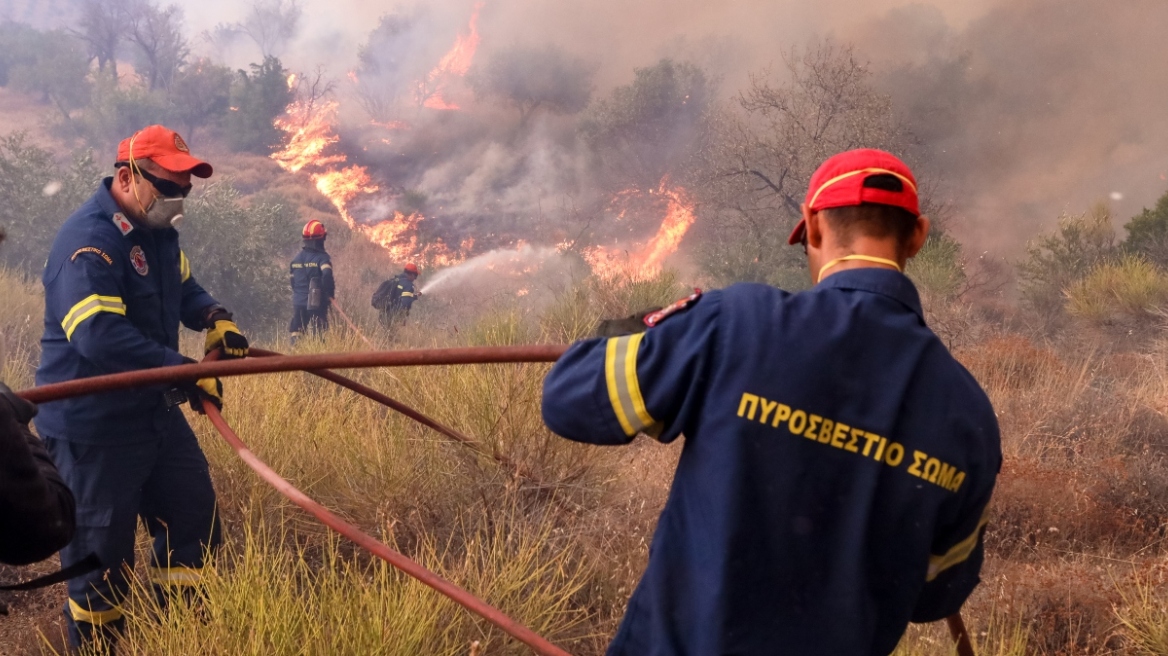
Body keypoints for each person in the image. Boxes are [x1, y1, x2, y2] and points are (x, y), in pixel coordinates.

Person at [542, 148, 1001, 656]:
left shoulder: (737, 324)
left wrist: (650, 333)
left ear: (813, 226)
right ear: (917, 236)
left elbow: (569, 399)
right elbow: (936, 594)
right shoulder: (969, 415)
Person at [35, 125, 248, 649]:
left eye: (186, 187)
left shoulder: (158, 234)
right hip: (93, 430)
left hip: (152, 413)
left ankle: (175, 635)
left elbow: (182, 286)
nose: (179, 198)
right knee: (99, 563)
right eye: (170, 185)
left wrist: (214, 315)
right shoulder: (89, 242)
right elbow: (98, 337)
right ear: (128, 177)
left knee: (192, 519)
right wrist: (186, 371)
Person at [289, 219, 335, 345]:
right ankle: (317, 357)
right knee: (318, 332)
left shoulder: (296, 259)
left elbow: (292, 282)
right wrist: (329, 294)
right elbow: (327, 276)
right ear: (321, 239)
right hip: (316, 303)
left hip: (299, 301)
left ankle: (293, 357)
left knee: (297, 330)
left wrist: (300, 293)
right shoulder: (322, 258)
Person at [371, 263, 420, 329]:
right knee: (393, 337)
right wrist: (402, 317)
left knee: (386, 336)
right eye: (415, 276)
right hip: (393, 317)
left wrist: (414, 296)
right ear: (411, 274)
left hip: (383, 315)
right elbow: (405, 303)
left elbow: (398, 296)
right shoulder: (408, 285)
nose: (415, 278)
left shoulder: (396, 280)